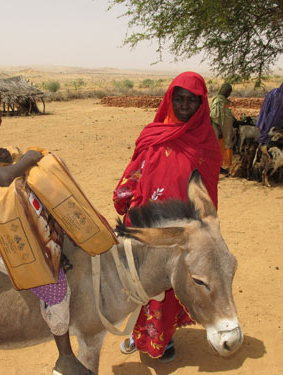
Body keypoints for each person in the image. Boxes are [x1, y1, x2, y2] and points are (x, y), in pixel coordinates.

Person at [0, 71, 92, 375]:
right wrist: (28, 159)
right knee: (55, 284)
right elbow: (2, 177)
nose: (0, 117)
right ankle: (65, 358)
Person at [113, 72, 222, 362]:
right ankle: (138, 334)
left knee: (171, 283)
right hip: (145, 224)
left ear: (201, 104)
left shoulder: (207, 143)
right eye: (179, 98)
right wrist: (124, 197)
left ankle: (164, 338)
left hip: (180, 231)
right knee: (138, 281)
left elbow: (207, 190)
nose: (185, 105)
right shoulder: (154, 133)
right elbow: (136, 168)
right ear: (169, 99)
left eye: (192, 100)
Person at [210, 83, 235, 172]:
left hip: (226, 131)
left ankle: (223, 166)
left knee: (226, 146)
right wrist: (220, 130)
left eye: (230, 92)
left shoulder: (224, 101)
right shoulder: (218, 100)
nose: (229, 93)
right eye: (228, 91)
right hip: (219, 131)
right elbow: (214, 116)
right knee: (219, 147)